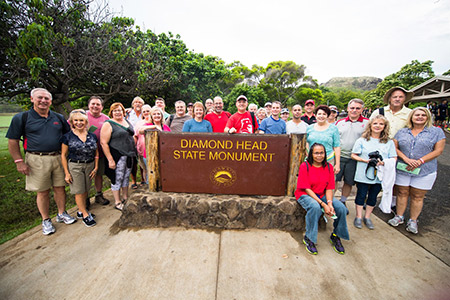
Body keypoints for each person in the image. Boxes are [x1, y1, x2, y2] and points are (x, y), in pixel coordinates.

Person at [6, 88, 75, 235]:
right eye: (40, 98)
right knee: (42, 191)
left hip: (58, 157)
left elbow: (68, 135)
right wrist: (19, 161)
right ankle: (46, 220)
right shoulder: (22, 118)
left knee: (60, 187)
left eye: (46, 98)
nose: (43, 101)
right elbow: (13, 141)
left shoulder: (58, 117)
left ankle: (61, 213)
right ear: (32, 99)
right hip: (36, 159)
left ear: (50, 101)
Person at [388, 107, 446, 234]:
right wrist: (406, 159)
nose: (420, 117)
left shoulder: (436, 132)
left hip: (424, 169)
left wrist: (420, 161)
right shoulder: (402, 132)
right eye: (417, 115)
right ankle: (399, 216)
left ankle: (413, 220)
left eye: (423, 115)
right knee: (402, 192)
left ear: (427, 117)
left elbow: (438, 150)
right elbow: (394, 147)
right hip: (403, 167)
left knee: (418, 195)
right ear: (411, 117)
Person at [295, 143, 349, 255]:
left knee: (341, 208)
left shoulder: (329, 167)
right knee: (315, 207)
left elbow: (329, 187)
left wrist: (329, 203)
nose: (319, 155)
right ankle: (309, 238)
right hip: (306, 194)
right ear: (311, 154)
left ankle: (336, 235)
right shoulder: (305, 166)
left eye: (321, 153)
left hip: (322, 193)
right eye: (316, 153)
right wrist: (322, 204)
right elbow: (306, 188)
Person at [370, 86, 413, 211]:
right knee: (376, 173)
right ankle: (372, 199)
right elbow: (369, 127)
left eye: (400, 97)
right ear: (389, 99)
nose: (397, 99)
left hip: (400, 149)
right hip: (379, 146)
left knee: (395, 176)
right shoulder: (380, 112)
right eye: (395, 97)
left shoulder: (409, 113)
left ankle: (392, 203)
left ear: (404, 99)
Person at [351, 115, 397, 230]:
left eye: (381, 124)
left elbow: (394, 157)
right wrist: (365, 160)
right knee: (361, 194)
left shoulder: (389, 142)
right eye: (375, 123)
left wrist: (383, 162)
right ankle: (358, 216)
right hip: (363, 172)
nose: (378, 126)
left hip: (380, 174)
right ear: (370, 125)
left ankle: (367, 217)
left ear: (385, 127)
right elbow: (353, 155)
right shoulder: (362, 140)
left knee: (373, 196)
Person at [61, 109, 98, 227]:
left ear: (86, 122)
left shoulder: (92, 136)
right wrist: (66, 173)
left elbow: (96, 153)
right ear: (72, 122)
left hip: (90, 164)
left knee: (86, 189)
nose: (79, 123)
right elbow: (63, 155)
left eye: (81, 120)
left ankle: (81, 211)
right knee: (79, 191)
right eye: (76, 120)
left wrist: (96, 167)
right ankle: (85, 214)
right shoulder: (68, 137)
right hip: (75, 165)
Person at [100, 102, 136, 211]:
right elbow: (103, 143)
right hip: (117, 154)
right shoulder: (108, 124)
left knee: (126, 177)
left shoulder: (126, 121)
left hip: (129, 154)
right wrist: (110, 159)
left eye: (120, 110)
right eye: (115, 110)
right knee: (117, 178)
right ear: (111, 112)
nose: (118, 112)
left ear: (123, 111)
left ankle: (125, 197)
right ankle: (117, 201)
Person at [335, 99, 369, 206]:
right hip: (339, 156)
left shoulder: (367, 123)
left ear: (362, 110)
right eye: (352, 108)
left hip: (354, 158)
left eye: (357, 108)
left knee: (349, 182)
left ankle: (343, 201)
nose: (354, 110)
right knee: (334, 180)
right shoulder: (340, 123)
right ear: (348, 109)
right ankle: (331, 201)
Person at [86, 96, 110, 207]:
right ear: (89, 105)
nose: (95, 106)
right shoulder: (81, 115)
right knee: (85, 176)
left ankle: (99, 194)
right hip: (84, 154)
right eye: (93, 104)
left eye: (98, 104)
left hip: (100, 152)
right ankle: (84, 198)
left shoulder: (106, 118)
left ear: (102, 107)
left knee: (98, 174)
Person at [306, 105, 341, 174]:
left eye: (324, 114)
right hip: (312, 160)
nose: (321, 116)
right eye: (319, 114)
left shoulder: (333, 129)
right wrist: (308, 155)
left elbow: (337, 147)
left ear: (327, 116)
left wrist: (337, 164)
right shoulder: (309, 128)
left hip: (328, 160)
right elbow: (306, 143)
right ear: (315, 115)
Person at [126, 97, 145, 189]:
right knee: (133, 161)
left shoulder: (144, 113)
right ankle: (133, 181)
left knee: (142, 160)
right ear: (133, 104)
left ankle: (143, 179)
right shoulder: (128, 114)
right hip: (131, 140)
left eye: (140, 103)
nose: (138, 104)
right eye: (136, 102)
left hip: (142, 140)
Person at [133, 104, 152, 184]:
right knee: (145, 168)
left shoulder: (153, 121)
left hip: (152, 149)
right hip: (142, 149)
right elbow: (135, 135)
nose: (146, 113)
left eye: (148, 111)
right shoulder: (139, 123)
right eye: (144, 111)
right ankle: (146, 184)